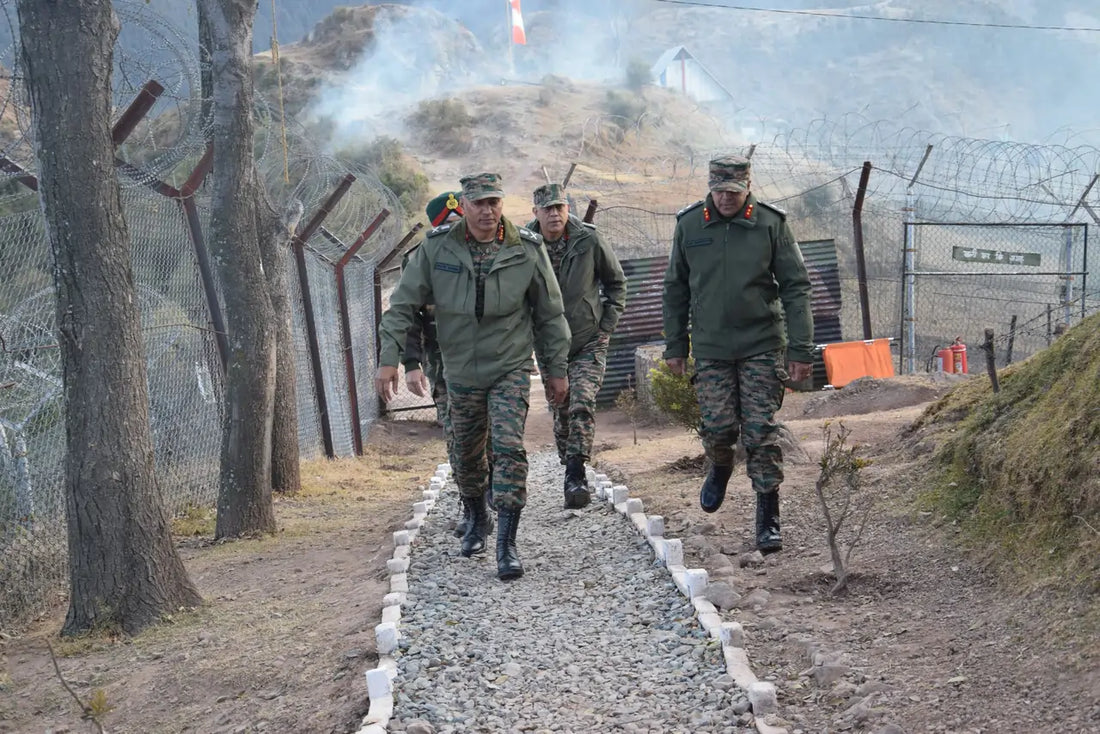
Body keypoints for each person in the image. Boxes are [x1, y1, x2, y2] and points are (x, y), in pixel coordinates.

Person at [376, 172, 571, 580]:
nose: (487, 210)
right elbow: (403, 305)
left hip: (510, 366)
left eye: (494, 202)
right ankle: (476, 514)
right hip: (460, 369)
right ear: (463, 205)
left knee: (509, 448)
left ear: (502, 204)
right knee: (466, 456)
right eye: (479, 203)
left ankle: (507, 544)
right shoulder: (436, 249)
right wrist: (390, 359)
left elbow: (550, 315)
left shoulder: (527, 249)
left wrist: (557, 369)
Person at [662, 155, 813, 554]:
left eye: (734, 192)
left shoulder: (770, 224)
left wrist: (800, 348)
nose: (726, 199)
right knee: (718, 427)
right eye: (719, 191)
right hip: (711, 347)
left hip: (761, 343)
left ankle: (768, 516)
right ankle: (721, 465)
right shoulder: (690, 224)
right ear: (710, 187)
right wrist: (676, 346)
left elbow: (796, 286)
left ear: (747, 187)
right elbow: (675, 289)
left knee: (761, 430)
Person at [527, 182, 627, 509]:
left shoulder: (589, 239)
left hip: (587, 339)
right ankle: (568, 463)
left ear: (567, 209)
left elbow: (616, 283)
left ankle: (575, 473)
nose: (554, 214)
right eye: (547, 209)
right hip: (549, 345)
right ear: (536, 213)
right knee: (561, 407)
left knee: (582, 399)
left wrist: (605, 329)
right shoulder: (524, 244)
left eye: (559, 207)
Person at [402, 191, 471, 537]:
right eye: (448, 226)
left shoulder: (488, 250)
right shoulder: (419, 260)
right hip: (443, 362)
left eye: (460, 223)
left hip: (486, 356)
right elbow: (408, 315)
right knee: (456, 432)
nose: (456, 231)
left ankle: (493, 494)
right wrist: (411, 361)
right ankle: (470, 500)